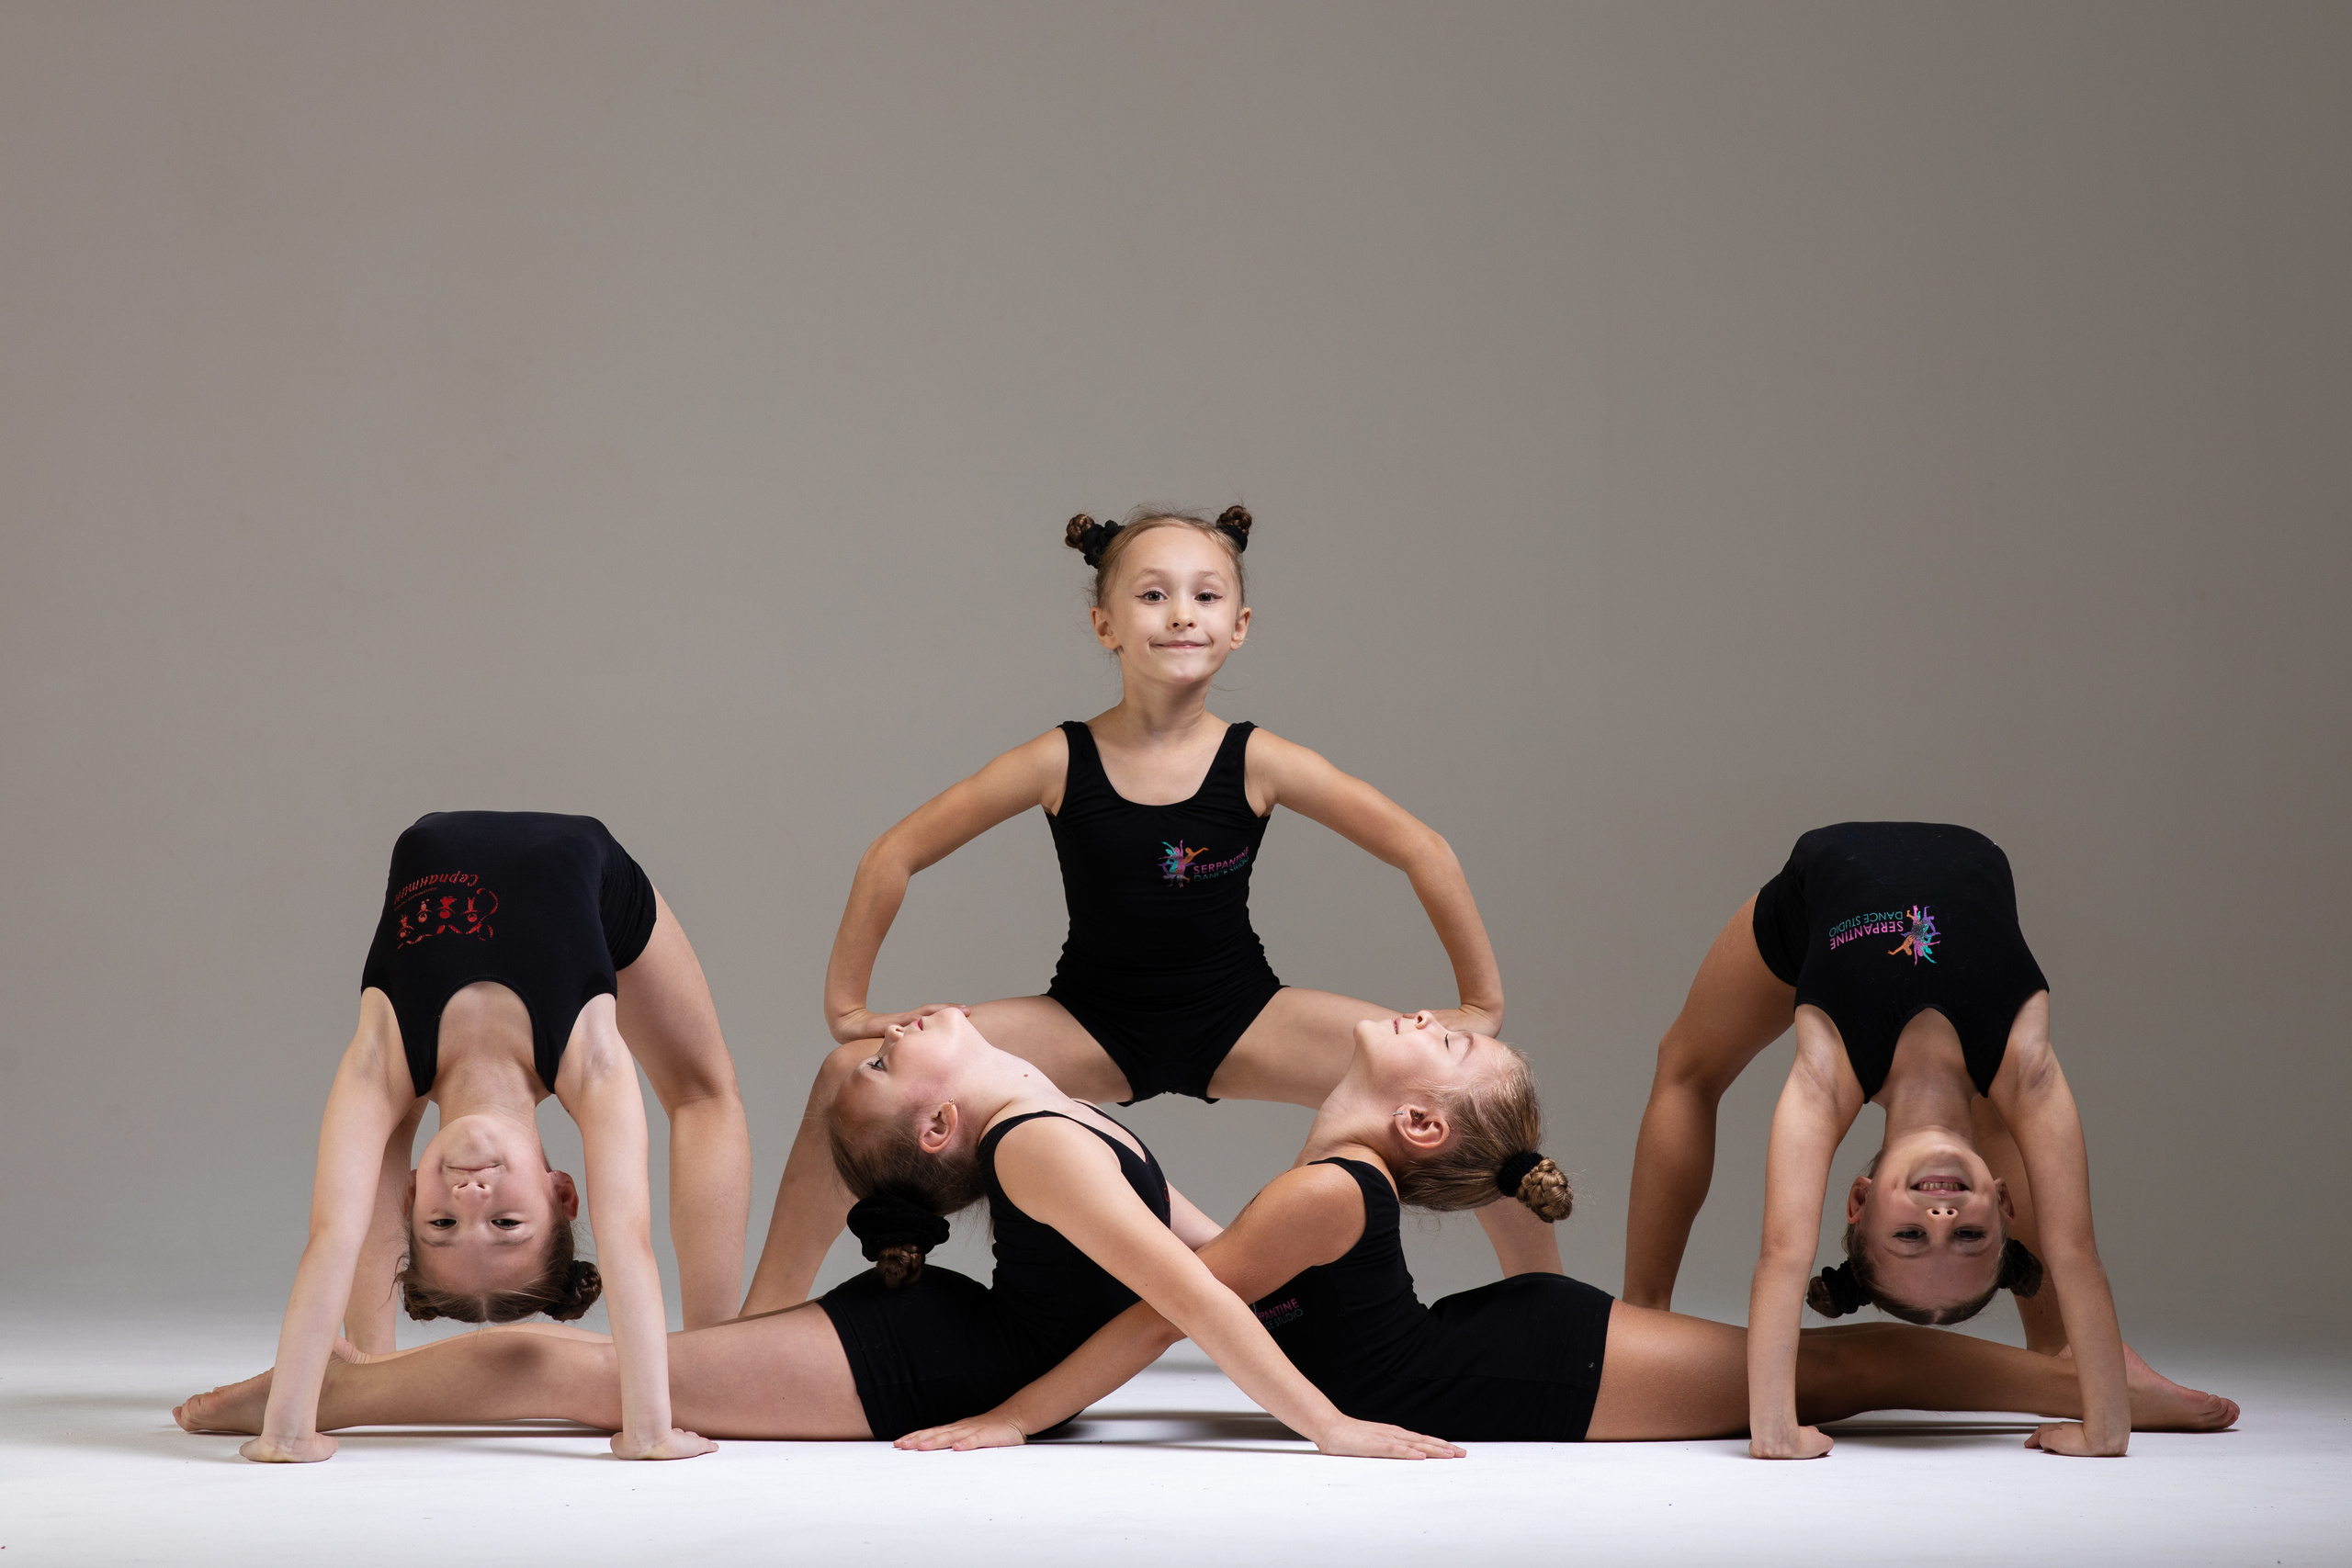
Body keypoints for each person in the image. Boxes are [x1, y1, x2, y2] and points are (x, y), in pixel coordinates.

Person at [744, 504, 1549, 1315]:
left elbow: (1424, 849)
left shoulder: (1259, 759)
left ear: (1238, 626)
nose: (1180, 615)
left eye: (1204, 597)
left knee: (1477, 1091)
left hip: (1242, 1017)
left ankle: (1544, 1304)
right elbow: (895, 852)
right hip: (1091, 1022)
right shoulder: (1059, 758)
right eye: (1153, 595)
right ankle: (760, 1320)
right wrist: (846, 1007)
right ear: (1105, 624)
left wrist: (1482, 1003)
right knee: (846, 1073)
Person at [888, 1011, 2239, 1454]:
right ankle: (2103, 1383)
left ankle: (2113, 1389)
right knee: (1841, 1373)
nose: (1429, 1010)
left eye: (1451, 1038)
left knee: (1842, 1371)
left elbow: (1165, 1304)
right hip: (1504, 1350)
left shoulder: (1323, 1188)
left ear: (1422, 1122)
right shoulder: (1330, 1180)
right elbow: (1176, 1270)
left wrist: (1014, 1416)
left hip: (1528, 1365)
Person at [175, 1008, 1459, 1461]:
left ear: (943, 1115)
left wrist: (1324, 1400)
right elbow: (1198, 1291)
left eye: (895, 1048)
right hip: (942, 1352)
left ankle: (343, 1382)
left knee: (618, 1373)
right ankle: (333, 1385)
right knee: (598, 1375)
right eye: (898, 1048)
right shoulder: (1043, 1137)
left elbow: (1206, 1272)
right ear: (948, 1121)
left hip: (951, 1353)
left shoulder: (1053, 1128)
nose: (911, 1021)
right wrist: (1323, 1414)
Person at [1620, 821, 2224, 1458]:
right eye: (1969, 1235)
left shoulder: (1827, 1077)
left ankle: (1643, 1317)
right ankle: (2064, 1364)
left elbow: (1781, 1253)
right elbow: (2076, 1251)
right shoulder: (2023, 1067)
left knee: (1684, 1065)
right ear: (2003, 1203)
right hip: (1968, 862)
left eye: (1910, 1235)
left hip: (1819, 889)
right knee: (1994, 1109)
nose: (1943, 1216)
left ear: (1858, 1199)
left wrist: (1774, 1427)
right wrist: (2106, 1425)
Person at [214, 810, 749, 1462]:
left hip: (441, 869)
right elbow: (626, 1236)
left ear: (408, 1201)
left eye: (441, 1223)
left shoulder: (384, 1060)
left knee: (383, 1124)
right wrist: (649, 1427)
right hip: (594, 872)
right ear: (563, 1192)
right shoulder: (590, 1063)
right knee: (703, 1091)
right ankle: (715, 1361)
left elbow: (334, 1232)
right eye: (506, 1223)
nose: (470, 1196)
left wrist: (288, 1428)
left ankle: (365, 1371)